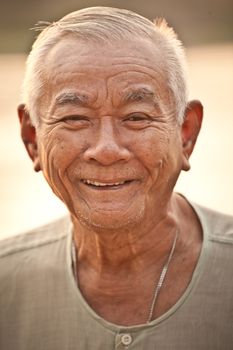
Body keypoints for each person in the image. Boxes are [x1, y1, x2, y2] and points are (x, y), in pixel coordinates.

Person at [0, 6, 232, 350]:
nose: (106, 150)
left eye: (136, 117)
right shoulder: (7, 284)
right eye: (75, 118)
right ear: (33, 138)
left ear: (186, 134)